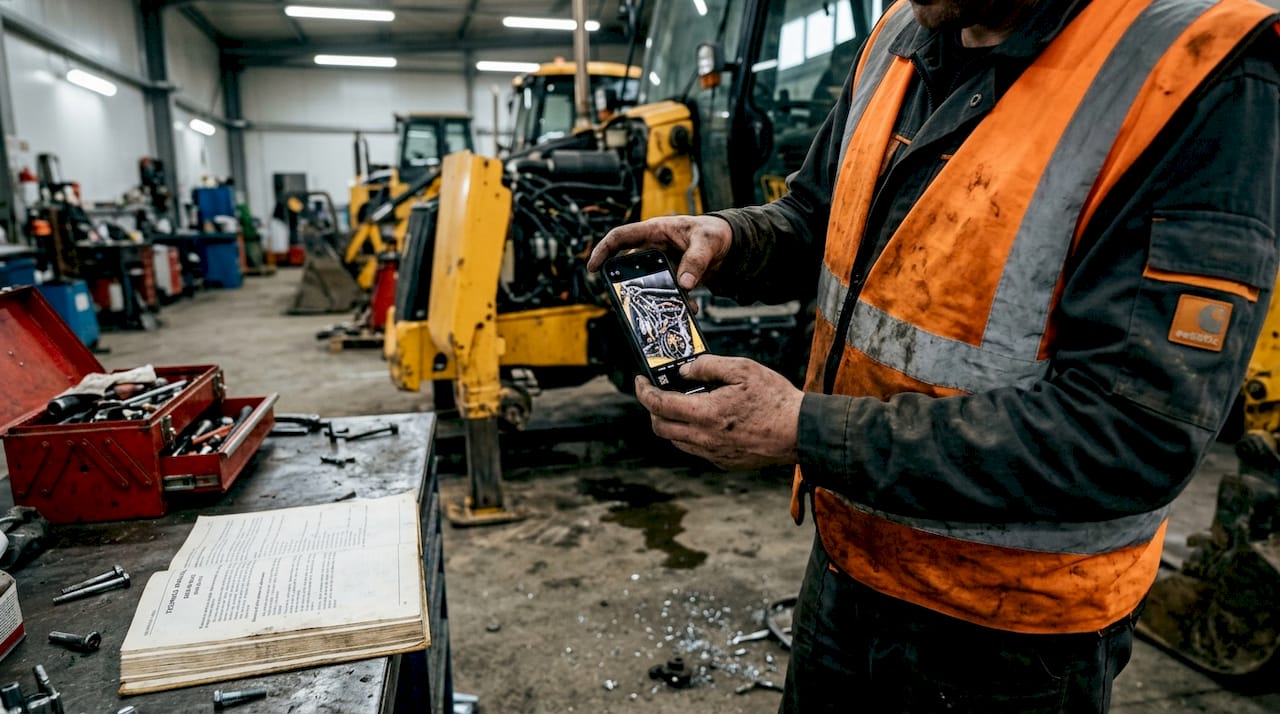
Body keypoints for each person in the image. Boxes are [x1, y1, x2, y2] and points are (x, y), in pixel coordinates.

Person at [587, 0, 1280, 711]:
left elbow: (1131, 436)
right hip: (851, 563)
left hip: (1009, 628)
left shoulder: (1193, 70)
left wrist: (803, 430)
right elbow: (819, 214)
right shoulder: (901, 34)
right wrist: (734, 238)